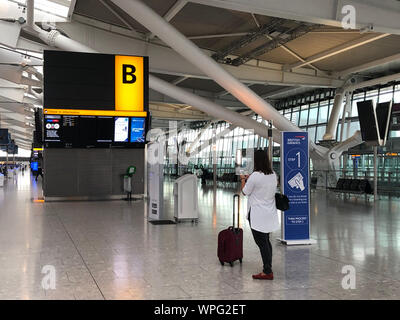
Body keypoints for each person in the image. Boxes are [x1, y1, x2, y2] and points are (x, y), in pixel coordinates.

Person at [240, 150, 279, 280]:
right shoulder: (273, 174)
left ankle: (267, 271)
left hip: (257, 213)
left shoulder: (255, 176)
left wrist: (243, 180)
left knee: (262, 242)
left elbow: (245, 192)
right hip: (269, 212)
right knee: (266, 241)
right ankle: (268, 267)